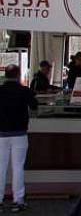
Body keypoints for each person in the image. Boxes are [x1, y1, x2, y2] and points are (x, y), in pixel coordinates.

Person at [0, 64, 38, 212]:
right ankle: (18, 201)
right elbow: (34, 106)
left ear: (5, 75)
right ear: (17, 76)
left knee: (0, 168)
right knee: (18, 168)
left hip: (1, 135)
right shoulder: (24, 91)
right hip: (19, 135)